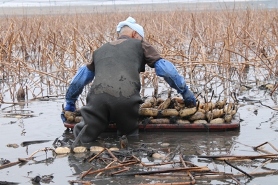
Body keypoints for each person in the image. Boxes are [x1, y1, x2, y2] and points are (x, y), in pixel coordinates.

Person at [63, 17, 196, 144]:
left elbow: (78, 81)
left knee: (83, 137)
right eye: (140, 37)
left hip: (96, 101)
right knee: (130, 140)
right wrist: (185, 92)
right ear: (134, 34)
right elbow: (167, 71)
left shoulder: (100, 50)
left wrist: (70, 103)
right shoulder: (140, 45)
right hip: (126, 101)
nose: (141, 39)